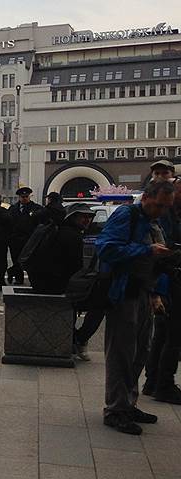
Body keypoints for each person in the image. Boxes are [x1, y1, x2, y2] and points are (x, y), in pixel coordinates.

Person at [96, 181, 176, 434]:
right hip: (124, 293)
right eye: (159, 205)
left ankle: (129, 403)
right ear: (146, 198)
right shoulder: (126, 214)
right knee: (121, 353)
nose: (162, 211)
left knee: (140, 351)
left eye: (166, 207)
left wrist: (157, 292)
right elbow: (106, 247)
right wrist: (146, 250)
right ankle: (116, 409)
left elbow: (156, 263)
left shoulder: (154, 222)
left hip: (144, 293)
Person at [144, 167, 181, 404]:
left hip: (165, 279)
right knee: (172, 334)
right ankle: (163, 383)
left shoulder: (169, 213)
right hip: (167, 280)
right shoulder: (165, 214)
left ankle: (153, 380)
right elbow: (163, 250)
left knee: (164, 333)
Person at [27, 203, 96, 294]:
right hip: (55, 284)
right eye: (83, 217)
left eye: (89, 217)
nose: (87, 220)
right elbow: (75, 265)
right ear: (73, 218)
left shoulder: (58, 230)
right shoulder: (72, 236)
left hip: (41, 281)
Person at [7, 187, 43, 285]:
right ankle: (18, 278)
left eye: (26, 196)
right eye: (23, 197)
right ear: (19, 197)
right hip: (15, 239)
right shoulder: (13, 208)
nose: (25, 198)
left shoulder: (36, 208)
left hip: (29, 239)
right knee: (16, 259)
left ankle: (33, 279)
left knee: (30, 260)